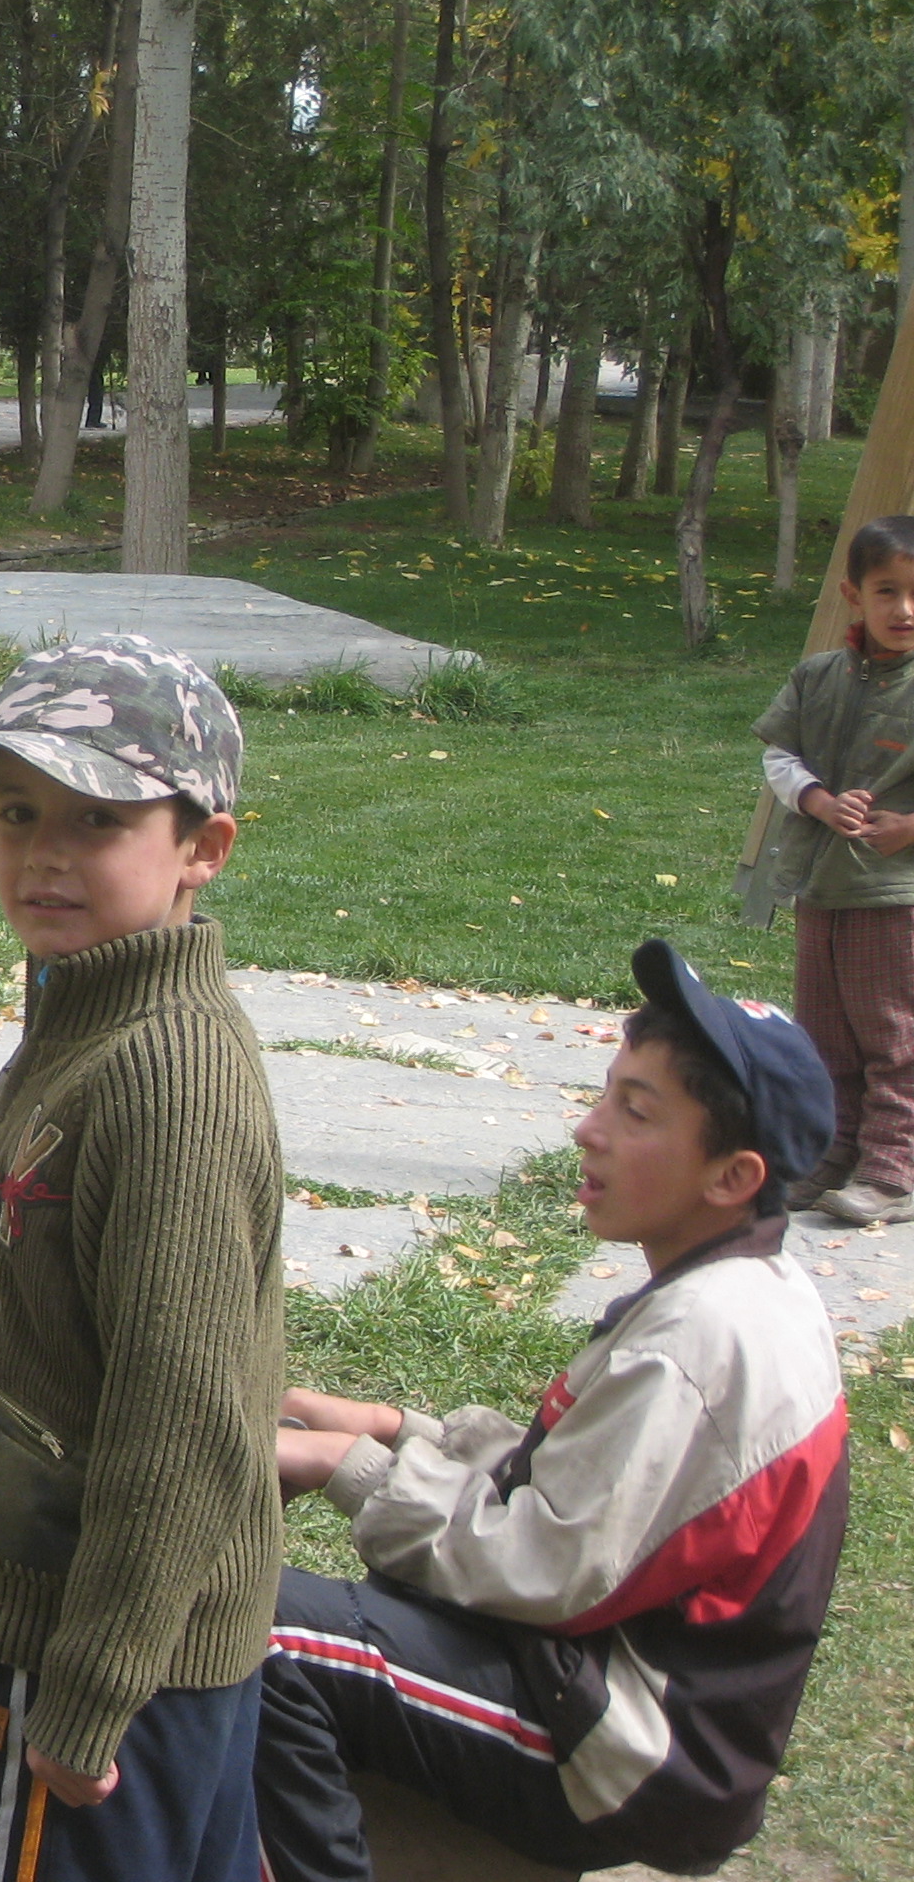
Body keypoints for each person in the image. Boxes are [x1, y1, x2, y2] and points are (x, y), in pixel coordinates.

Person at [255, 942, 848, 1881]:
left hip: (627, 1753)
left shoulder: (699, 1343)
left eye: (635, 1111)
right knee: (312, 1622)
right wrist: (388, 1426)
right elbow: (578, 1487)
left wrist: (344, 1467)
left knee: (259, 1634)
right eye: (608, 1092)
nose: (588, 1128)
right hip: (613, 1700)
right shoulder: (742, 1285)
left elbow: (541, 1567)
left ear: (732, 1177)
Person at [0, 634, 280, 1882]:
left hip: (95, 1655)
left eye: (99, 820)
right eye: (16, 811)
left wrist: (96, 1688)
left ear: (203, 848)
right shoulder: (90, 1010)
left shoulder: (166, 1080)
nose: (45, 852)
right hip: (76, 1625)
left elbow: (183, 1412)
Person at [752, 513, 914, 1223]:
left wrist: (908, 828)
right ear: (854, 595)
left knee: (892, 1032)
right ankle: (831, 1152)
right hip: (821, 885)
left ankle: (894, 1167)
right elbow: (778, 758)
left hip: (895, 893)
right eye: (887, 591)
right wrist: (817, 802)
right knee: (825, 1030)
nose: (904, 609)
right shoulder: (817, 677)